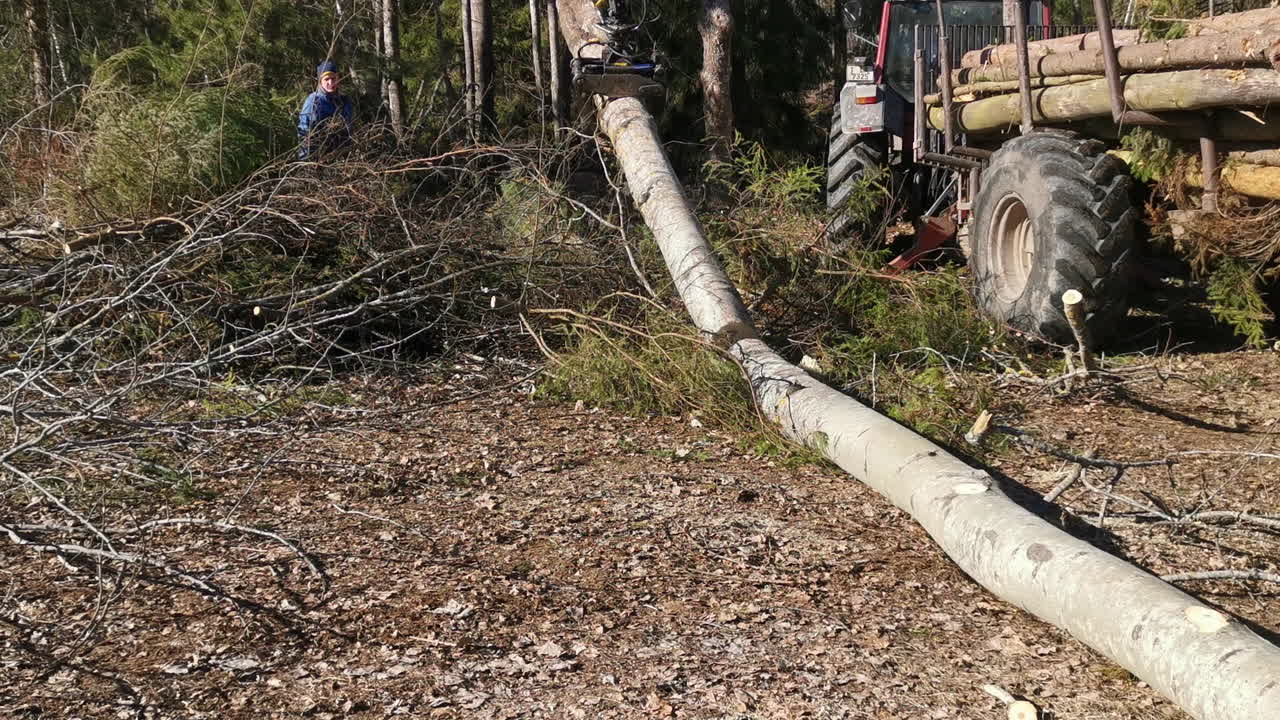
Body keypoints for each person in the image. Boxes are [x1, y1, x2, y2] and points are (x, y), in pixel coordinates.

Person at [297, 60, 353, 160]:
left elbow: (349, 129)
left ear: (338, 79)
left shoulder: (344, 101)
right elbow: (304, 133)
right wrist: (308, 161)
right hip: (319, 158)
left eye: (333, 78)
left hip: (341, 156)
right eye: (326, 79)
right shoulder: (313, 101)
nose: (330, 82)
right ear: (320, 81)